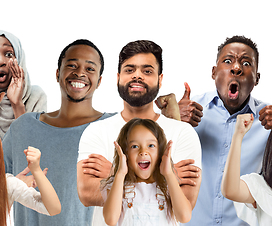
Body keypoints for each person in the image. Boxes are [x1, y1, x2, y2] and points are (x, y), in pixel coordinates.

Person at [77, 40, 202, 226]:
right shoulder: (96, 131)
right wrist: (168, 176)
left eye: (147, 71)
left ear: (160, 79)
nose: (137, 76)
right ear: (118, 77)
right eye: (129, 70)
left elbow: (185, 203)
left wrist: (113, 173)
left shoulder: (183, 132)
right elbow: (87, 193)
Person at [161, 36, 272, 226]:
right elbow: (148, 164)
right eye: (228, 61)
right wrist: (170, 121)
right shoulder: (188, 111)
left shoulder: (269, 120)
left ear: (257, 78)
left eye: (246, 63)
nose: (236, 68)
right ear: (214, 72)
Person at [3, 39, 115, 225]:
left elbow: (154, 177)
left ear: (100, 81)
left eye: (90, 68)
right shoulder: (22, 127)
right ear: (57, 73)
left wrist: (177, 119)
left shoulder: (114, 127)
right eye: (72, 65)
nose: (80, 73)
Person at [102, 119, 193, 225]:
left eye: (151, 146)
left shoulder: (168, 185)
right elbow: (110, 220)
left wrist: (168, 174)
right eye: (134, 146)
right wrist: (120, 174)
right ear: (125, 153)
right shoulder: (117, 185)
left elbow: (184, 217)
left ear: (160, 151)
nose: (143, 152)